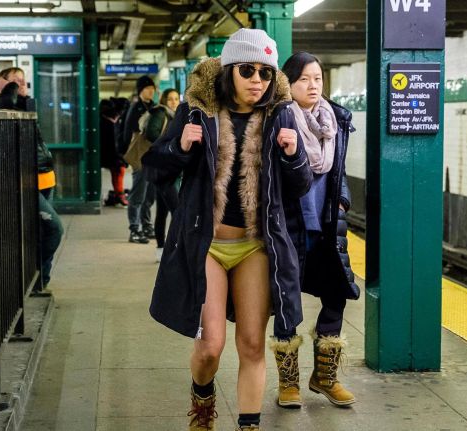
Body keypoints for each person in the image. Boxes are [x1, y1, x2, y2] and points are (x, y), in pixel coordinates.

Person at [142, 29, 312, 431]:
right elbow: (154, 169)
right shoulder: (196, 110)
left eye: (266, 73)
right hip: (209, 245)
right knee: (210, 347)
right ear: (229, 71)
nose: (258, 80)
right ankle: (202, 398)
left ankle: (249, 425)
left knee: (253, 344)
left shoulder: (282, 114)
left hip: (255, 246)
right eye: (249, 70)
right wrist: (179, 148)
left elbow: (302, 184)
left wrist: (292, 156)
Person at [268, 52, 360, 408]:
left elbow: (339, 172)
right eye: (304, 79)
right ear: (289, 84)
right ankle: (287, 383)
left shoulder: (335, 120)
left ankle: (324, 377)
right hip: (291, 226)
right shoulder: (279, 120)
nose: (313, 85)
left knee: (336, 294)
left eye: (318, 78)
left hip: (326, 222)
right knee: (287, 303)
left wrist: (343, 202)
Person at [0, 68, 64, 295]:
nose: (21, 85)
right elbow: (6, 107)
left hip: (45, 179)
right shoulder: (0, 105)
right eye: (15, 82)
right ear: (1, 83)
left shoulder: (26, 106)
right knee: (54, 229)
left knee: (42, 232)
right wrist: (12, 91)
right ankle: (34, 275)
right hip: (24, 182)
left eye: (23, 81)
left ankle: (39, 281)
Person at [142, 88, 181, 262]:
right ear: (164, 100)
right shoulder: (161, 114)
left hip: (167, 169)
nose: (173, 102)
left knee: (162, 211)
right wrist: (167, 144)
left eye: (175, 99)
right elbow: (151, 133)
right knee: (177, 210)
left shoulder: (175, 115)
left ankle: (161, 248)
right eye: (170, 99)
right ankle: (173, 248)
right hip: (163, 169)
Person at [122, 75, 157, 244]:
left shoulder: (156, 107)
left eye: (152, 88)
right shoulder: (135, 108)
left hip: (153, 156)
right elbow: (128, 132)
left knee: (149, 194)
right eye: (147, 88)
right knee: (137, 195)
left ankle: (146, 225)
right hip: (140, 156)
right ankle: (134, 230)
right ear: (140, 90)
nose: (150, 91)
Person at [99, 99, 129, 207]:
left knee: (116, 171)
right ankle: (119, 194)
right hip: (112, 152)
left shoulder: (104, 120)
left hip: (112, 152)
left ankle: (118, 194)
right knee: (119, 171)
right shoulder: (110, 122)